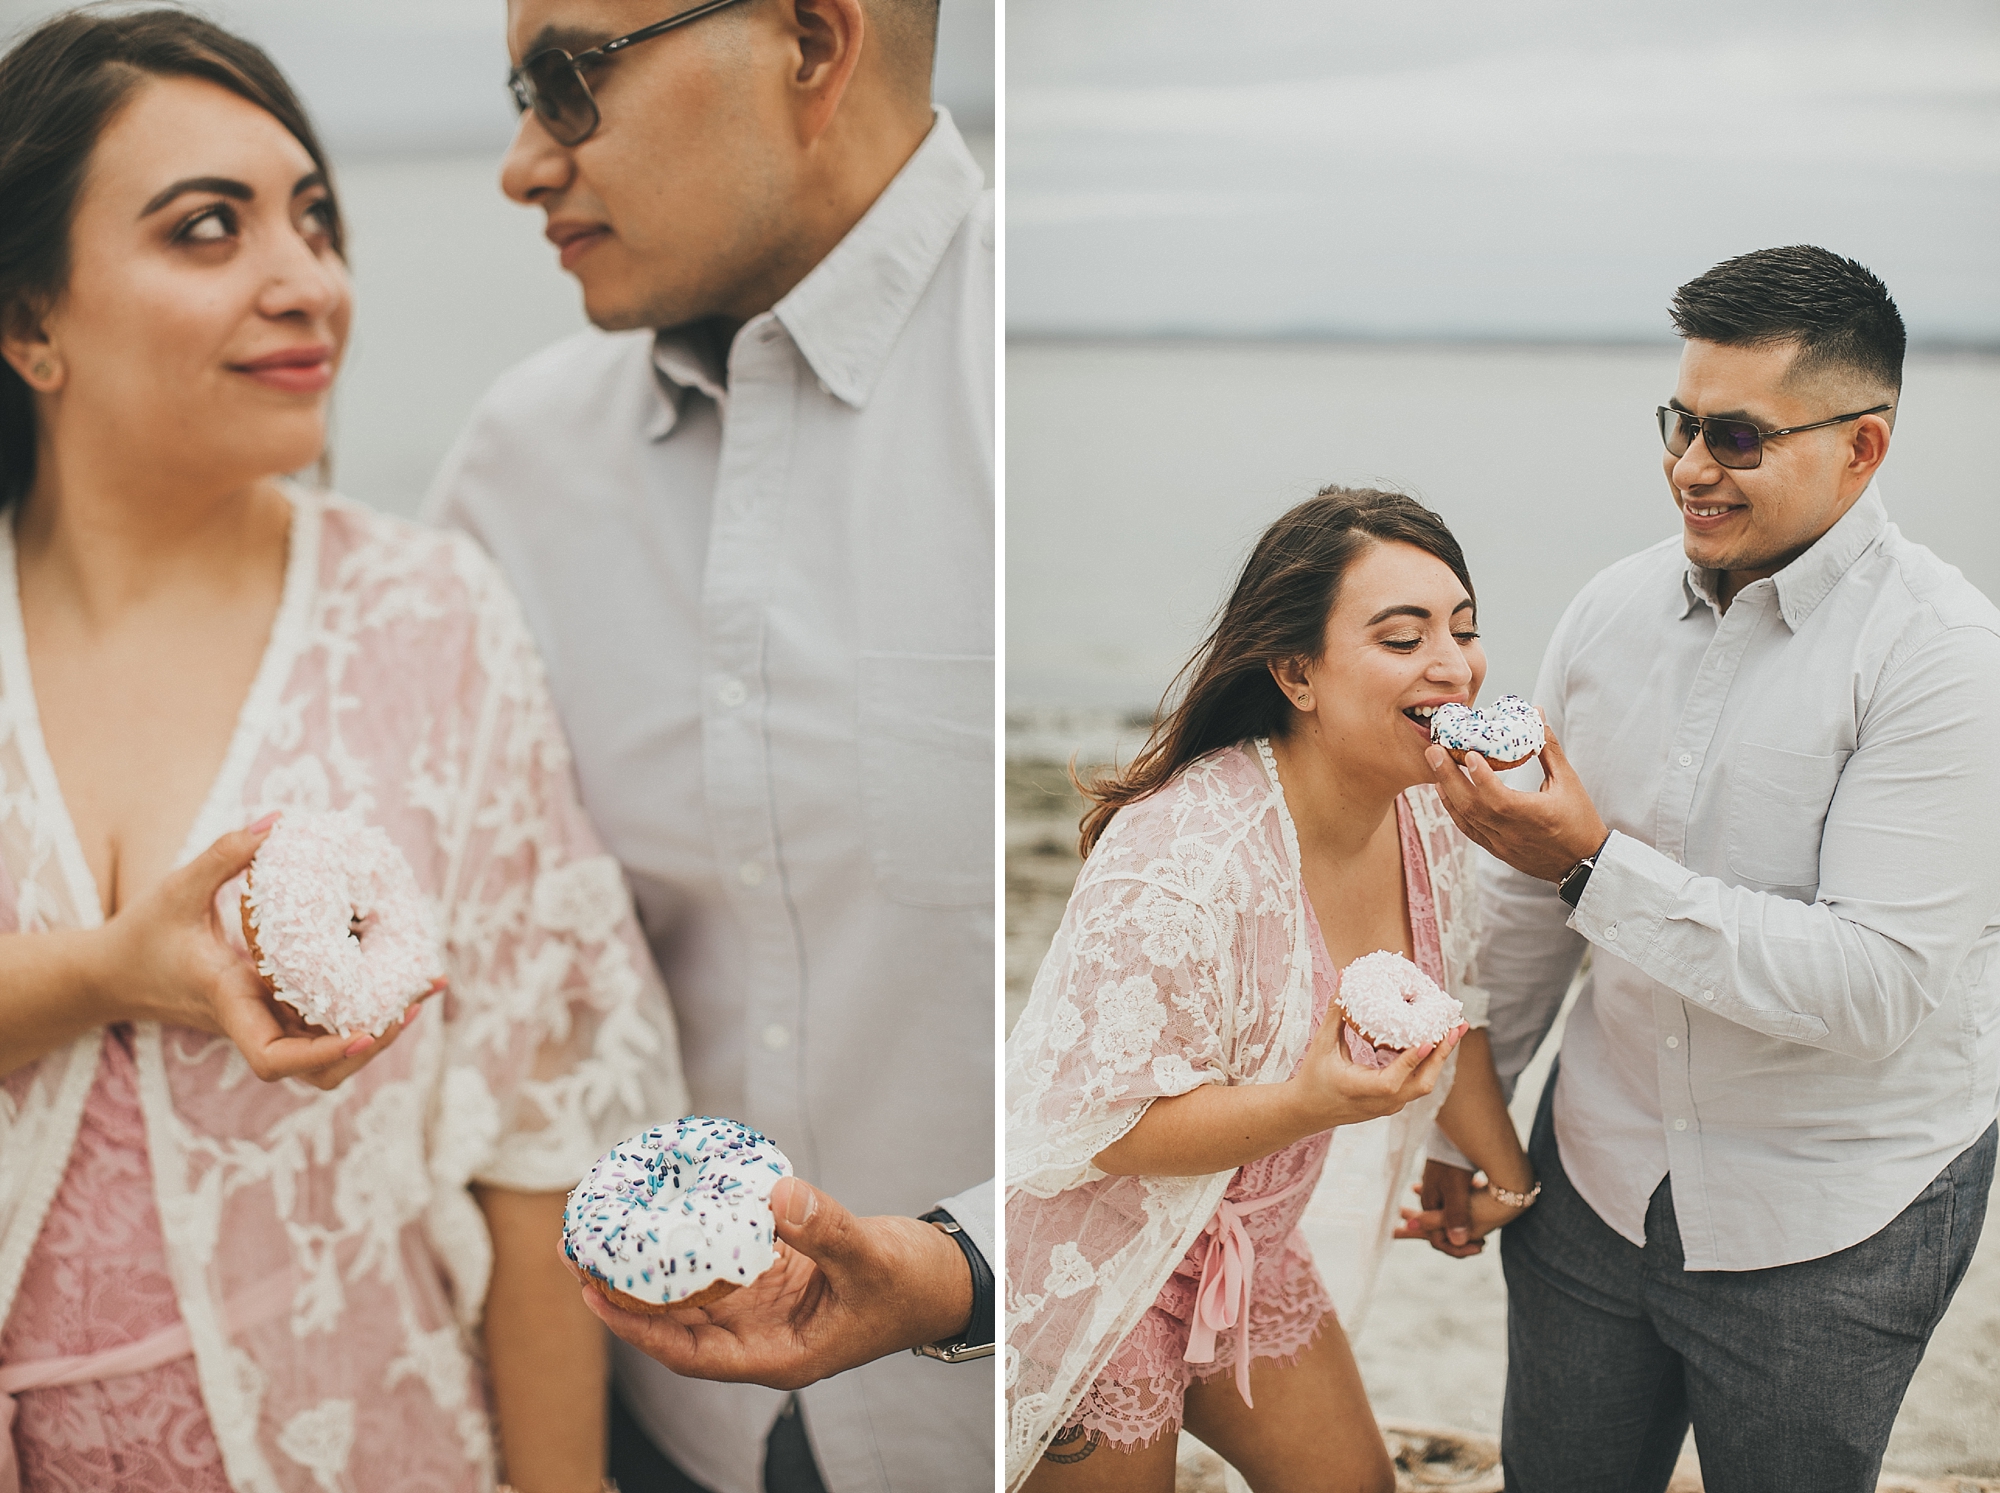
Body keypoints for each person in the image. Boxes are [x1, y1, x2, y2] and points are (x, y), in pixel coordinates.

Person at [0, 12, 684, 1491]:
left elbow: (537, 1138)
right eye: (207, 230)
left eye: (316, 219)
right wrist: (106, 972)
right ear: (28, 320)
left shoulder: (430, 617)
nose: (307, 278)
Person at [424, 0, 993, 1489]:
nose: (520, 165)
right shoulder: (512, 467)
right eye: (516, 93)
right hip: (651, 1422)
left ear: (810, 44)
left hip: (1006, 1416)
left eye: (565, 80)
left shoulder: (1039, 416)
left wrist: (960, 1274)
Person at [1406, 246, 2000, 1493]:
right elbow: (1519, 898)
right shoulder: (1606, 610)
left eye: (1733, 434)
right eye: (1677, 420)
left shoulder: (1943, 660)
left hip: (1836, 1209)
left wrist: (1589, 861)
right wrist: (1472, 1115)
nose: (1686, 464)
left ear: (1862, 447)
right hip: (1593, 1169)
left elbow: (1874, 986)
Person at [1005, 489, 1543, 1493]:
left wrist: (1501, 1175)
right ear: (1295, 671)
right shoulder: (1179, 860)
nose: (1452, 664)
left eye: (1463, 630)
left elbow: (1442, 1020)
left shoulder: (1427, 817)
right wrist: (1305, 1105)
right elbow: (1103, 1128)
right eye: (1401, 636)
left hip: (1242, 1244)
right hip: (1093, 1259)